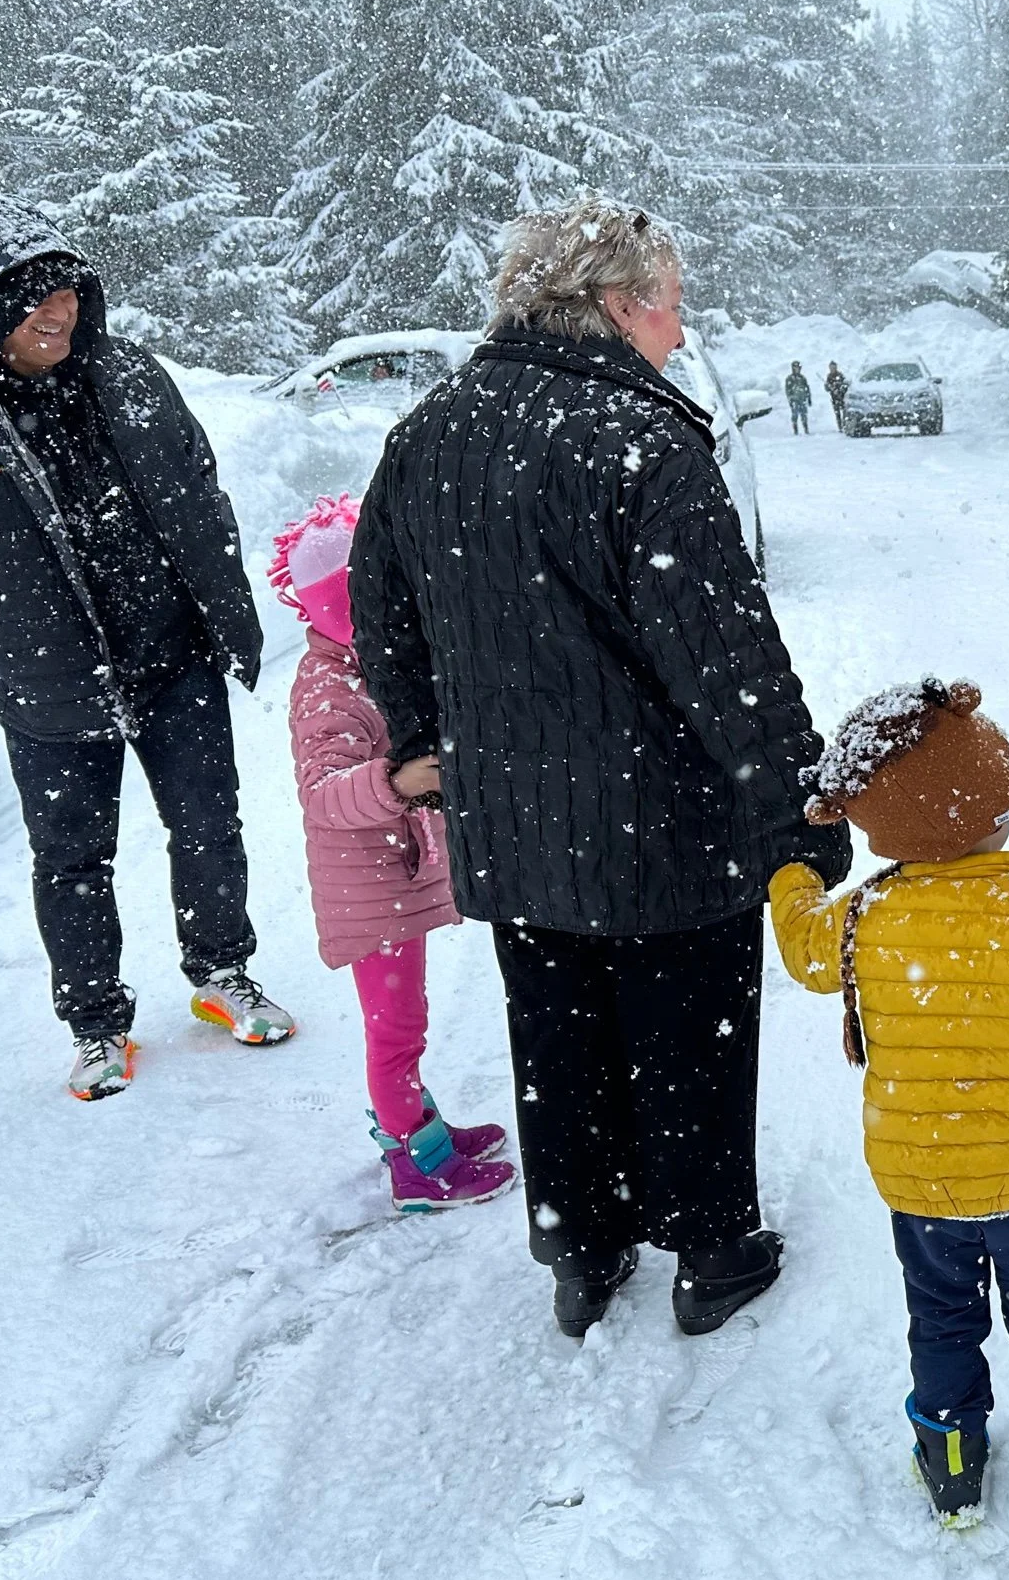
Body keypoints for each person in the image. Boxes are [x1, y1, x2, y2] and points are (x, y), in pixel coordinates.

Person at [352, 199, 850, 1339]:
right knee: (687, 1033)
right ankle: (713, 1250)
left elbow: (381, 612)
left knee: (558, 1036)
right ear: (619, 307)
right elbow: (727, 661)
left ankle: (581, 1250)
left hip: (515, 828)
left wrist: (430, 748)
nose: (679, 328)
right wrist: (801, 810)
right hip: (664, 822)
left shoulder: (428, 433)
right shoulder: (640, 443)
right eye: (671, 305)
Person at [0, 197, 294, 1101]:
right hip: (51, 684)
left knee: (209, 823)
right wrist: (7, 638)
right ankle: (97, 1022)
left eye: (66, 291)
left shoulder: (126, 372)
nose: (57, 312)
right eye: (33, 298)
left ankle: (222, 971)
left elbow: (198, 483)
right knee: (72, 857)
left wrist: (218, 596)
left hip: (170, 653)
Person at [769, 678, 1009, 1533]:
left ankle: (951, 1463)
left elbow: (805, 948)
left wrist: (791, 874)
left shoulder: (866, 913)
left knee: (940, 1318)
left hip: (923, 1184)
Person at [270, 495, 515, 1214]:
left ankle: (421, 1127)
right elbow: (322, 794)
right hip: (367, 889)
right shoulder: (331, 688)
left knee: (405, 1020)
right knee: (396, 1028)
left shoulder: (363, 664)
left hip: (389, 874)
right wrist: (397, 781)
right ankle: (417, 1164)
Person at [784, 360, 813, 435]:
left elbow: (807, 388)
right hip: (794, 400)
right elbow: (788, 390)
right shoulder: (789, 378)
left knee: (804, 415)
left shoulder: (802, 378)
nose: (797, 369)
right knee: (795, 415)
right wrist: (790, 399)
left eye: (798, 367)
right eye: (795, 367)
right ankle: (795, 430)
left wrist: (809, 398)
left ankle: (806, 429)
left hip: (802, 399)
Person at [824, 360, 850, 432]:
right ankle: (840, 427)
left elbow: (845, 385)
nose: (832, 369)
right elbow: (827, 388)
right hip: (834, 398)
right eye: (831, 367)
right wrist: (828, 387)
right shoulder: (829, 376)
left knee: (844, 413)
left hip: (842, 397)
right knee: (837, 414)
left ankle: (845, 426)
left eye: (834, 367)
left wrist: (840, 390)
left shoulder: (840, 375)